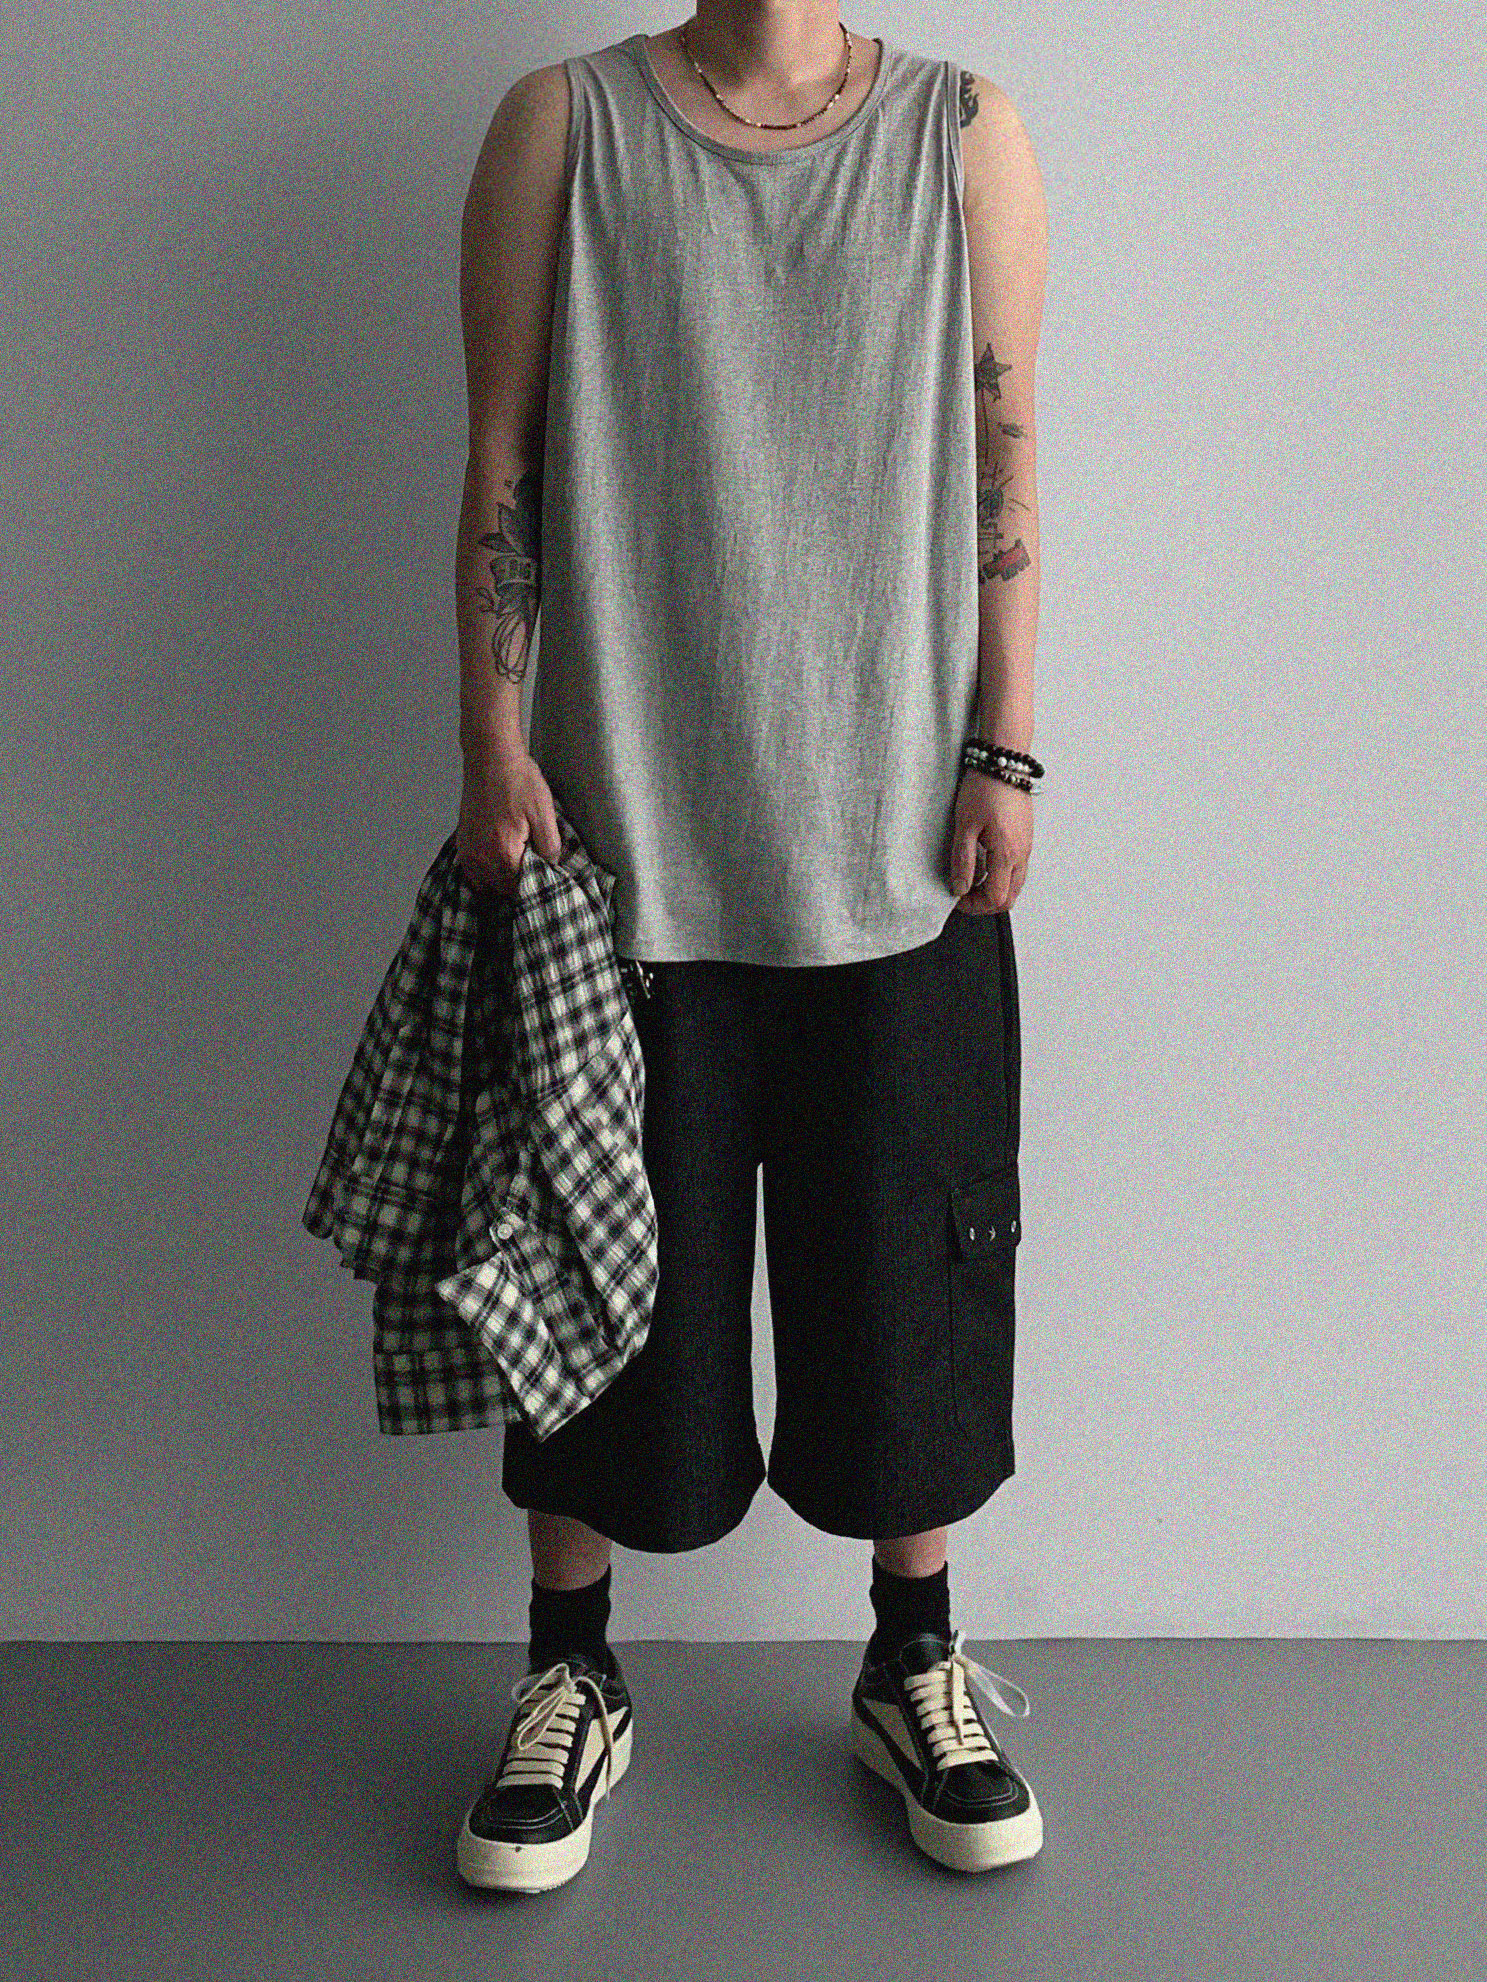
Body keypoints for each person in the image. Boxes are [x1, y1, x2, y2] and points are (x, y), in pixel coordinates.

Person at [450, 3, 1048, 1893]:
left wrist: (1007, 743)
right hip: (625, 842)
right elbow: (503, 453)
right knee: (592, 1283)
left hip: (898, 842)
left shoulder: (964, 135)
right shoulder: (562, 128)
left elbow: (1008, 461)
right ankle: (569, 1669)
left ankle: (913, 1656)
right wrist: (487, 738)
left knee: (910, 1277)